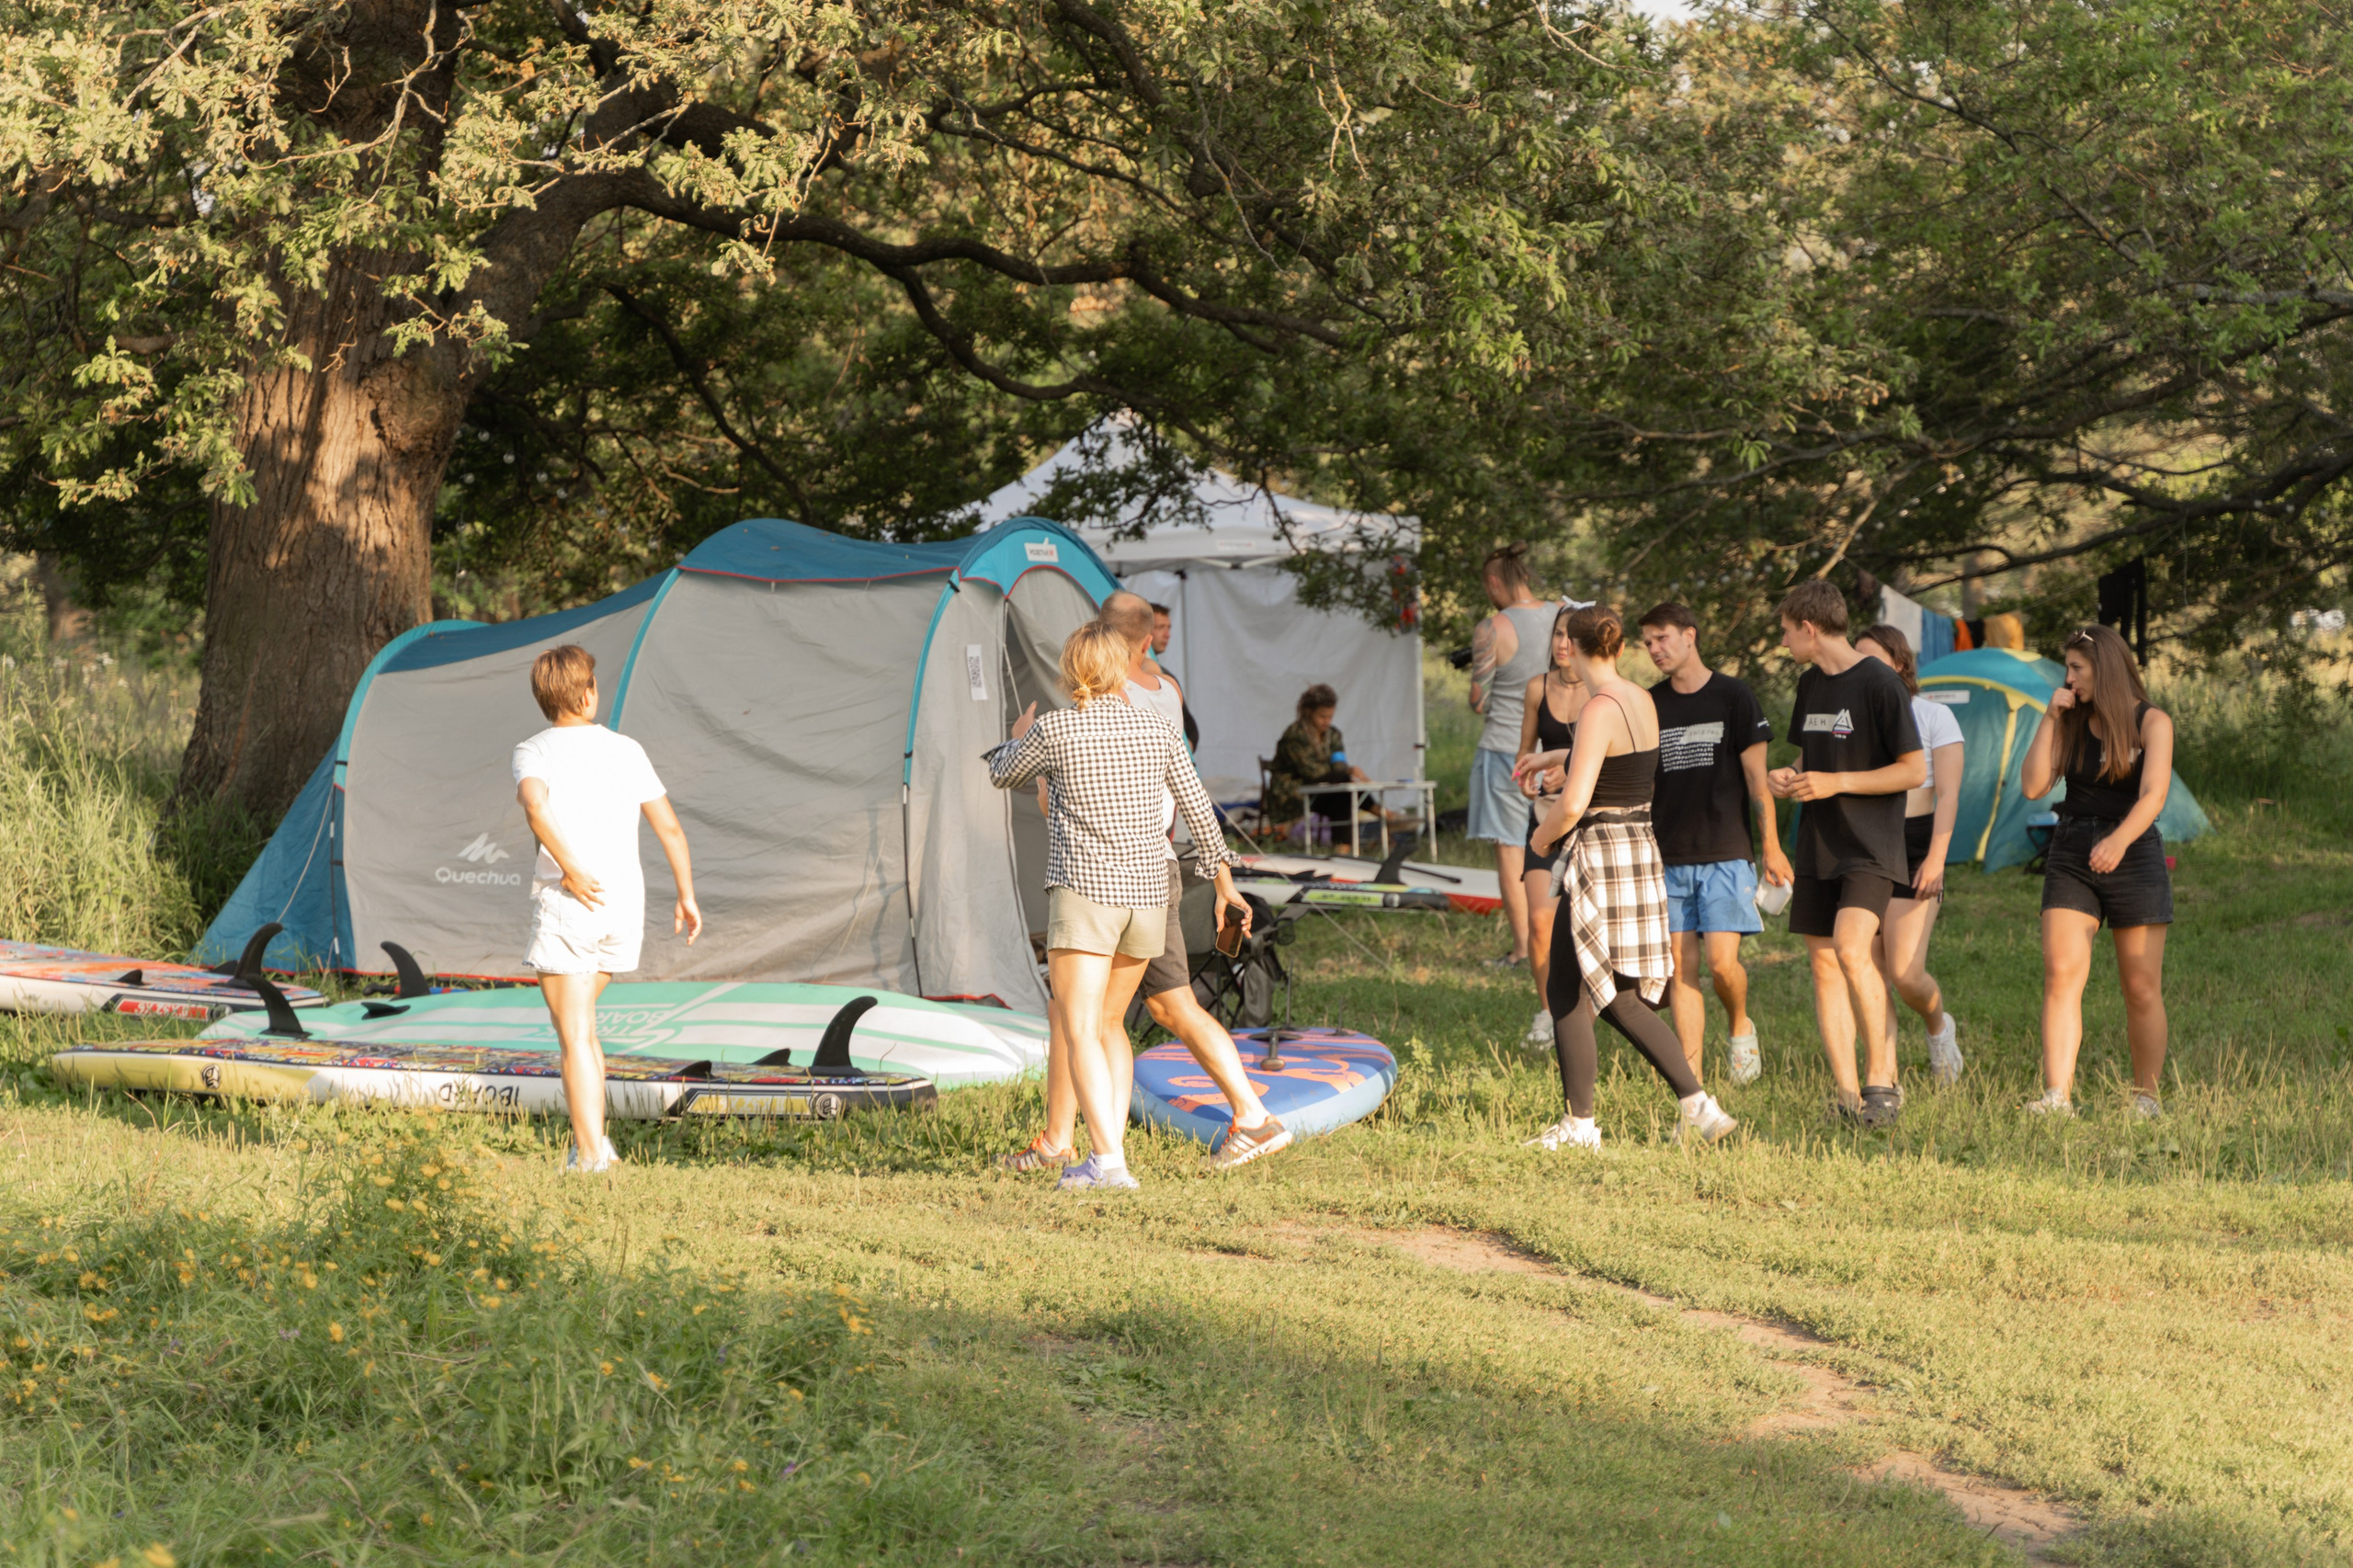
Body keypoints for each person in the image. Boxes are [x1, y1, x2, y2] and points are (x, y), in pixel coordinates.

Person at [995, 592, 1291, 1173]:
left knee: (1080, 1024)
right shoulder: (1159, 726)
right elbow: (1203, 813)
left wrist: (1017, 732)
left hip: (1087, 893)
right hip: (1151, 893)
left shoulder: (1055, 729)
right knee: (1110, 1022)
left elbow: (1001, 770)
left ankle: (1106, 1161)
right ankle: (1081, 1147)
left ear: (1073, 672)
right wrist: (1227, 887)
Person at [1524, 607, 1739, 1152]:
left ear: (1570, 648)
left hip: (1599, 853)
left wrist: (1541, 840)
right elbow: (1621, 760)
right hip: (1638, 850)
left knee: (1566, 989)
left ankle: (1580, 1127)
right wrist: (1560, 753)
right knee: (1618, 994)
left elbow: (1573, 803)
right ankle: (1699, 1106)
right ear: (1618, 647)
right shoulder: (1640, 698)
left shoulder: (1597, 707)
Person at [512, 644, 702, 1175]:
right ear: (589, 693)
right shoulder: (626, 748)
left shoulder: (533, 750)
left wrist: (569, 867)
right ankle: (596, 1144)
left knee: (572, 1033)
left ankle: (591, 1156)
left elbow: (533, 804)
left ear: (543, 698)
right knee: (584, 1028)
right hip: (622, 906)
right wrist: (686, 895)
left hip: (573, 904)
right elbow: (669, 827)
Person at [1768, 582, 1925, 1128]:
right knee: (1823, 964)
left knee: (1853, 949)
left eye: (1787, 631)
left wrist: (1838, 783)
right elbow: (1811, 754)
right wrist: (1787, 776)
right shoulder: (1811, 684)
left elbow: (1913, 770)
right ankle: (1846, 1092)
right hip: (1817, 844)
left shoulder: (1881, 684)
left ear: (1809, 629)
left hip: (1870, 846)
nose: (1784, 642)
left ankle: (1883, 1080)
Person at [2019, 625, 2175, 1118]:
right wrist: (2049, 717)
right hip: (2071, 851)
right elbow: (2032, 786)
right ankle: (2057, 1097)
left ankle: (2145, 1097)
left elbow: (2152, 795)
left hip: (2133, 852)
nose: (2068, 678)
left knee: (2141, 985)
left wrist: (2119, 840)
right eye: (2067, 668)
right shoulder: (2068, 719)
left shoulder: (2152, 722)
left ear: (2104, 668)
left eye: (2076, 668)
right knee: (2061, 974)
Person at [1637, 602, 1790, 1087]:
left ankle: (1740, 1024)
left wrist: (1772, 846)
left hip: (1727, 852)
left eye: (1662, 638)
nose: (1654, 650)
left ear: (1690, 635)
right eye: (1647, 643)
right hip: (1668, 856)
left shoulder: (1734, 696)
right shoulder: (1649, 703)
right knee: (1682, 970)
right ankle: (1693, 1085)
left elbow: (1757, 781)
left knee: (1724, 967)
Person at [1853, 624, 1966, 1086]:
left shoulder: (1933, 716)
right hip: (1866, 845)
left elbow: (1950, 794)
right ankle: (1885, 1073)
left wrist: (1937, 857)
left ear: (1900, 663)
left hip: (1917, 844)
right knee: (1869, 969)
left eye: (1872, 658)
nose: (1862, 669)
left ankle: (1940, 1027)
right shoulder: (1855, 720)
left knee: (1904, 972)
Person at [1467, 544, 1559, 968]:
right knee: (1553, 842)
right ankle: (1556, 941)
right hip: (1550, 748)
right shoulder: (1560, 615)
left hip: (1505, 749)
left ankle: (1524, 948)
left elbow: (1478, 701)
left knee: (1509, 850)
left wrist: (1476, 675)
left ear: (1493, 582)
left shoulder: (1492, 628)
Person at [1506, 607, 1585, 1050]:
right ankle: (1548, 1012)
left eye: (1571, 637)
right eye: (1557, 634)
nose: (1561, 644)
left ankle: (1588, 1007)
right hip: (1546, 821)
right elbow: (1523, 758)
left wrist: (1568, 774)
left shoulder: (1601, 692)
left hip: (1590, 819)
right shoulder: (1537, 687)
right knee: (1540, 922)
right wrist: (1530, 782)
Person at [1267, 685, 1375, 828]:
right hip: (1292, 794)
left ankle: (1343, 849)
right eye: (1322, 716)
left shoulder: (1333, 735)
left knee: (1343, 795)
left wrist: (1344, 772)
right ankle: (1384, 813)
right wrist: (1347, 772)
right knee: (1343, 785)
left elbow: (1338, 764)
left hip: (1321, 790)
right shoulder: (1295, 736)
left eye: (1330, 716)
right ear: (1308, 712)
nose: (1327, 721)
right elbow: (1312, 773)